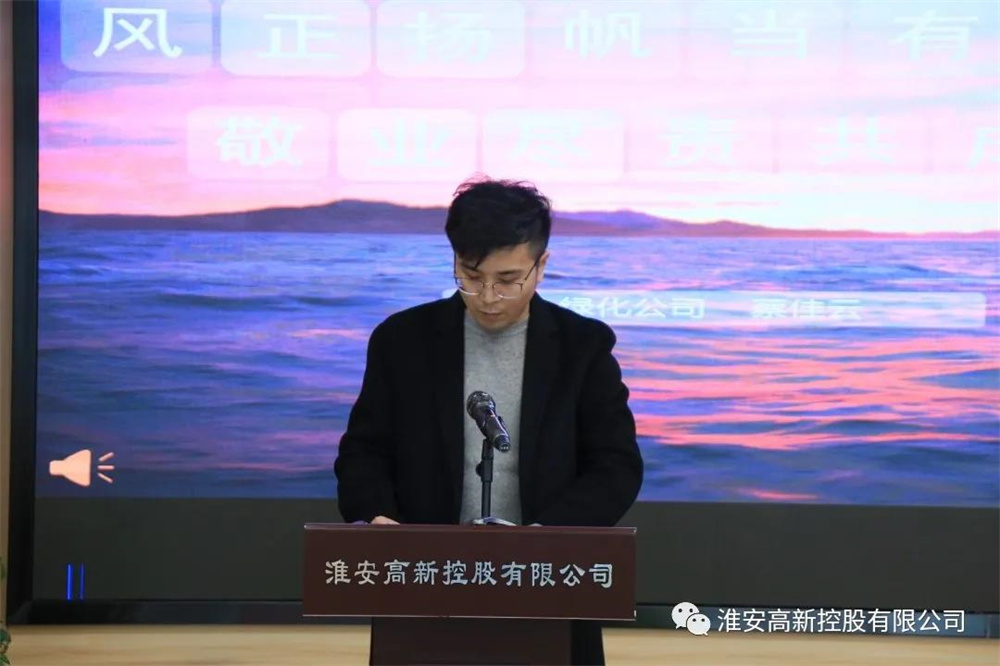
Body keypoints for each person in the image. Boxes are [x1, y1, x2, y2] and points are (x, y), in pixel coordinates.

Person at [334, 177, 644, 665]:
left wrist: (549, 535)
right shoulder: (402, 340)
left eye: (508, 279)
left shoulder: (582, 346)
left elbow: (616, 465)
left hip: (545, 579)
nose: (487, 296)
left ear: (542, 266)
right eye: (471, 276)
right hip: (426, 581)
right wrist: (377, 517)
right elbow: (364, 451)